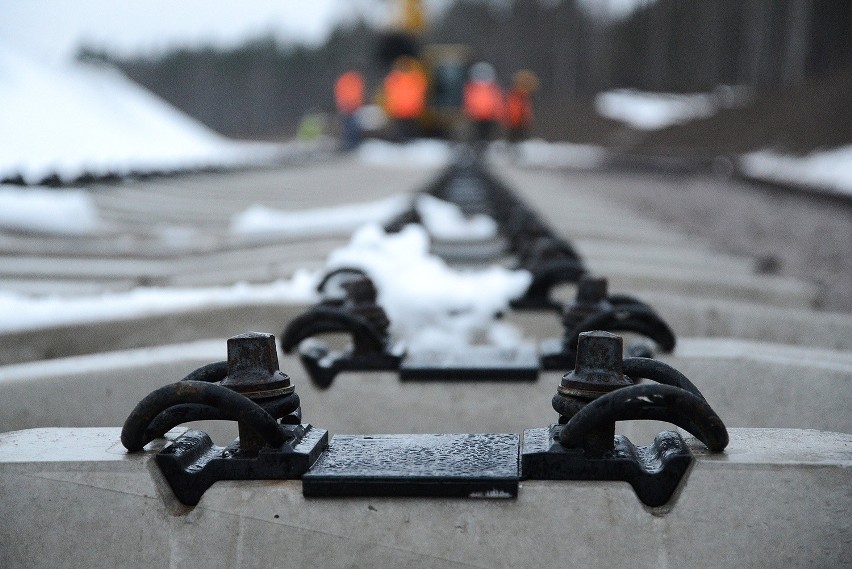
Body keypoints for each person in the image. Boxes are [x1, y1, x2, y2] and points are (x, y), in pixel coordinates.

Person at [383, 56, 428, 142]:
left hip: (407, 109)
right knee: (404, 131)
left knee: (407, 131)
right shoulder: (414, 77)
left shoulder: (409, 78)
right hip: (404, 110)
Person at [463, 62, 503, 145]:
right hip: (476, 116)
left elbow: (496, 101)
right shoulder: (472, 87)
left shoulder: (492, 87)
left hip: (489, 116)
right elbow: (468, 101)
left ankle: (485, 146)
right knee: (476, 134)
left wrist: (498, 113)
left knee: (487, 135)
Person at [504, 70, 538, 144]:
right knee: (515, 140)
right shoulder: (515, 96)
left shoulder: (525, 97)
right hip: (515, 123)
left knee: (520, 140)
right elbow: (513, 110)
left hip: (521, 123)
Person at [334, 71, 365, 150]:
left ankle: (352, 145)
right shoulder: (351, 80)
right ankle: (349, 145)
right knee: (349, 128)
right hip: (348, 108)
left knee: (352, 128)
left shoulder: (350, 80)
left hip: (352, 108)